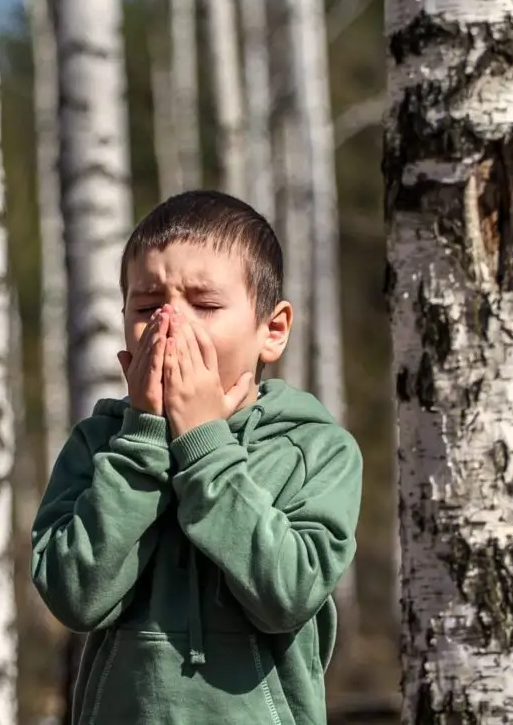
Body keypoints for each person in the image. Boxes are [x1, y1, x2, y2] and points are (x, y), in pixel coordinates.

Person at [30, 190, 363, 724]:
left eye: (204, 306)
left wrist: (204, 442)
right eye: (146, 307)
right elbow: (75, 597)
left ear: (271, 330)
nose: (171, 327)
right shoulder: (98, 445)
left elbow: (287, 594)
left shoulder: (313, 449)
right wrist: (144, 440)